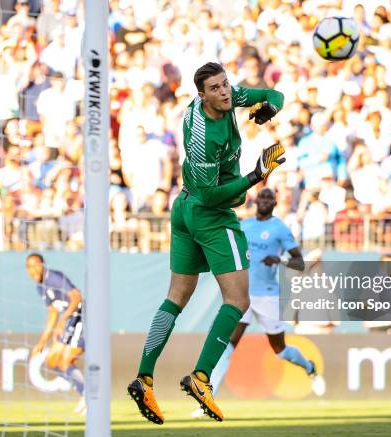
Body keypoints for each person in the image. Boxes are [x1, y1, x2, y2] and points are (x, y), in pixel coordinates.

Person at [127, 62, 285, 424]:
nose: (226, 92)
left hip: (184, 209)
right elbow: (213, 197)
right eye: (216, 88)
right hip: (209, 215)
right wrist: (256, 175)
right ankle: (201, 378)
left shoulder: (229, 98)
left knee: (177, 296)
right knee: (239, 299)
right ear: (202, 95)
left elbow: (270, 93)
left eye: (226, 84)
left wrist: (271, 107)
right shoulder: (202, 138)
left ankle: (144, 377)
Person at [192, 188, 325, 417]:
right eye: (261, 197)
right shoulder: (245, 225)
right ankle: (206, 400)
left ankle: (309, 367)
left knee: (280, 350)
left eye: (268, 198)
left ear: (274, 202)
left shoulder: (280, 228)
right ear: (256, 201)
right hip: (242, 295)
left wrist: (280, 259)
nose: (264, 201)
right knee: (225, 346)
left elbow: (300, 262)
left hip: (268, 297)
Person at [26, 253, 86, 415]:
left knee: (66, 361)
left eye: (35, 265)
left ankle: (88, 396)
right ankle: (85, 392)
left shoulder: (54, 278)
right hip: (69, 322)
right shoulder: (40, 287)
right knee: (52, 361)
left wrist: (62, 321)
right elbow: (53, 312)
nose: (33, 270)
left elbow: (77, 297)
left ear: (42, 265)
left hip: (82, 318)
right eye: (29, 267)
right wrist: (42, 341)